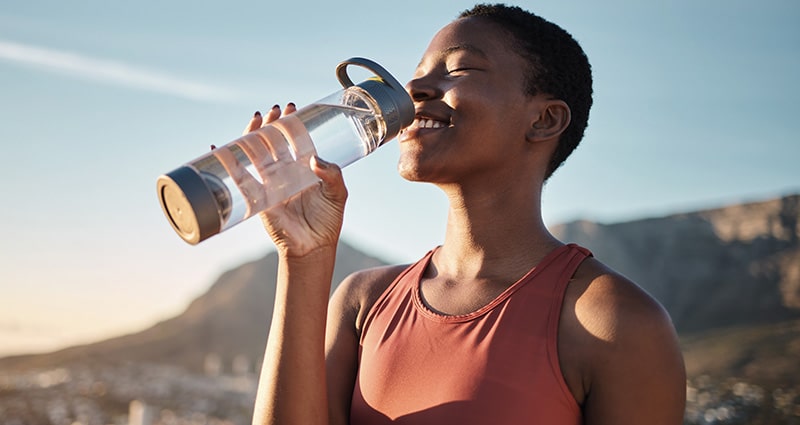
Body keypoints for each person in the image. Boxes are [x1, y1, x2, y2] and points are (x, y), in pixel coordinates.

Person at [249, 3, 686, 424]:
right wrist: (303, 257)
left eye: (459, 69)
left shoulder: (613, 322)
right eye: (416, 76)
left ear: (545, 120)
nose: (414, 91)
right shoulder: (363, 302)